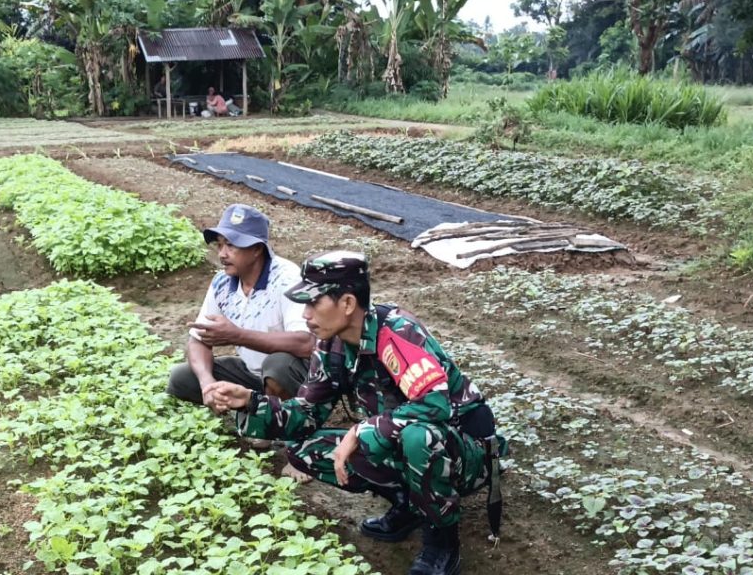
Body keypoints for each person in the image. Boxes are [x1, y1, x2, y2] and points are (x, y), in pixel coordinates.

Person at [205, 251, 507, 575]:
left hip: (464, 454)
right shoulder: (331, 344)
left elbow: (435, 405)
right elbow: (305, 415)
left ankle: (442, 541)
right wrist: (251, 402)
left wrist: (362, 430)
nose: (305, 315)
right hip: (409, 444)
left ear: (347, 304)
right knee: (305, 449)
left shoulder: (397, 334)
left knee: (418, 435)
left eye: (313, 304)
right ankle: (408, 505)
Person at [167, 204, 314, 409]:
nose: (222, 254)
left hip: (298, 376)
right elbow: (197, 340)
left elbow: (306, 343)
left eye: (231, 245)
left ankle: (276, 423)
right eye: (219, 245)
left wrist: (237, 335)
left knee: (276, 364)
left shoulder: (286, 278)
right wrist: (207, 383)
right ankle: (252, 405)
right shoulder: (222, 282)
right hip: (252, 374)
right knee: (181, 377)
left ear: (256, 249)